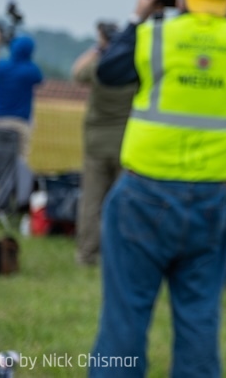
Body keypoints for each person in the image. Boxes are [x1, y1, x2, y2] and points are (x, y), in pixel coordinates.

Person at [90, 0, 226, 378]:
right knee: (200, 317)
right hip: (210, 198)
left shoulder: (156, 35)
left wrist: (140, 15)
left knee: (125, 315)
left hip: (145, 193)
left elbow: (109, 72)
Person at [72, 21, 138, 267]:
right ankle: (119, 253)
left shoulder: (98, 69)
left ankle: (87, 253)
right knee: (123, 203)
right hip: (125, 142)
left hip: (96, 143)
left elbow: (77, 72)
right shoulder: (131, 71)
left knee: (91, 202)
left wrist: (98, 49)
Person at [0, 32, 42, 214]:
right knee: (18, 164)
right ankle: (13, 204)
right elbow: (39, 77)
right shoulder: (30, 71)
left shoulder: (0, 68)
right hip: (19, 125)